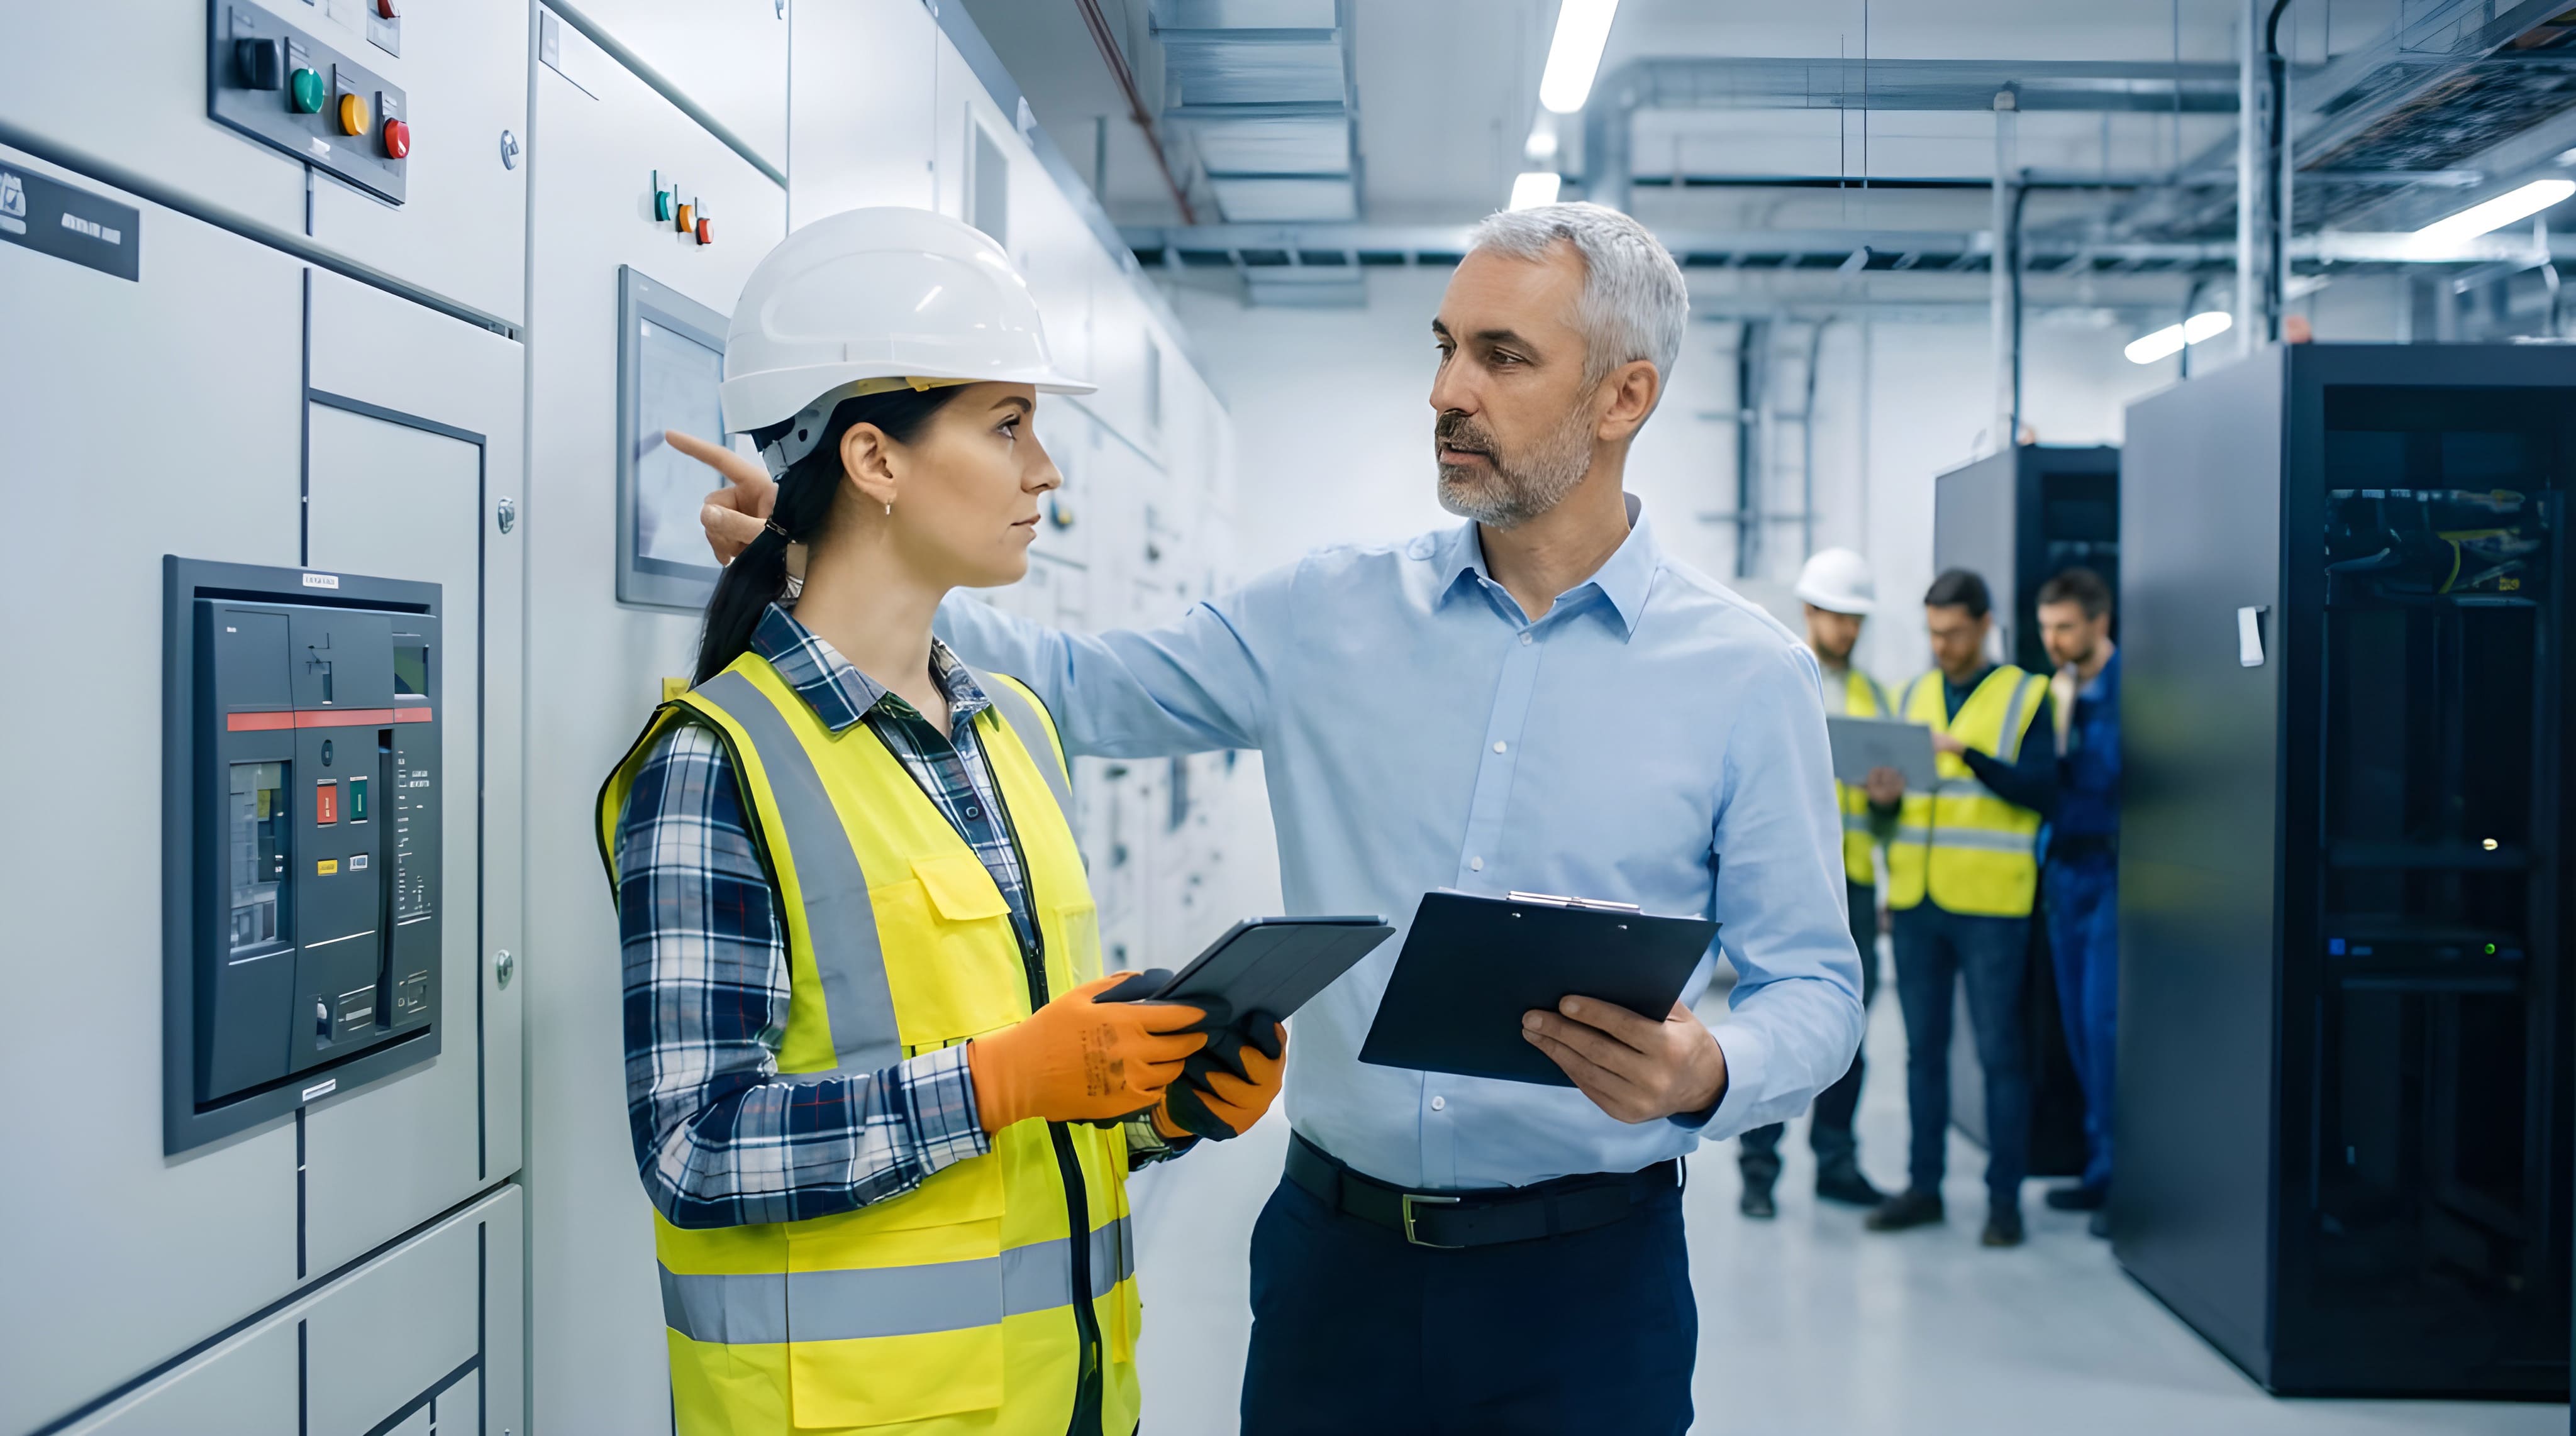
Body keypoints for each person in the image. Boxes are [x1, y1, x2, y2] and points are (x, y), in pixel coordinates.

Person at [688, 202, 1864, 1435]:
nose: (1446, 391)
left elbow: (1815, 991)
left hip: (1587, 1288)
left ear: (1623, 397)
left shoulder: (1744, 676)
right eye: (1442, 345)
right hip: (1336, 1267)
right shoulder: (1322, 615)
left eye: (1501, 357)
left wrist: (1706, 1068)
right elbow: (1077, 684)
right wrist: (824, 535)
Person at [600, 208, 1289, 1436]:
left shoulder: (1011, 728)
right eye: (1006, 424)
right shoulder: (720, 762)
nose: (1047, 472)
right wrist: (1000, 1079)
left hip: (1068, 1402)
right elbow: (699, 1150)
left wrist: (1156, 1104)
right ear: (874, 460)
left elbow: (1033, 1117)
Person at [1862, 568, 2057, 1248]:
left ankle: (2004, 1203)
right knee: (1923, 1054)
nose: (1941, 645)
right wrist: (1881, 798)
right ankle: (1923, 1188)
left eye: (1952, 633)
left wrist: (1966, 754)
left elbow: (2042, 791)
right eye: (1932, 634)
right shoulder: (1911, 694)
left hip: (1991, 904)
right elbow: (1891, 814)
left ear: (1982, 624)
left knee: (2002, 1054)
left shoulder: (2027, 696)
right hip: (1917, 901)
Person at [1735, 548, 1891, 1218]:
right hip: (1786, 881)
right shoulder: (1774, 676)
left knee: (1847, 1032)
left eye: (1857, 619)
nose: (1849, 631)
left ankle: (1836, 1161)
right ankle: (1758, 1170)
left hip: (1851, 883)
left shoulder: (1874, 696)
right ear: (1809, 611)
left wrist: (1887, 799)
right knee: (1771, 1023)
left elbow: (1886, 816)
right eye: (1838, 617)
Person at [2035, 566, 2119, 1237]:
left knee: (2106, 1029)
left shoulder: (2131, 688)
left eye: (2065, 626)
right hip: (2062, 873)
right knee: (2077, 1031)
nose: (2053, 640)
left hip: (2112, 874)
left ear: (2099, 621)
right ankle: (2098, 1169)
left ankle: (2121, 1175)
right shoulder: (2057, 692)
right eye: (2045, 627)